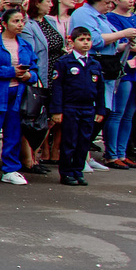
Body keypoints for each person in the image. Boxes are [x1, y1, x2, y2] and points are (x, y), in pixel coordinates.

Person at [0, 9, 38, 185]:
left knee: (14, 132)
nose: (20, 25)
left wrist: (28, 76)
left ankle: (10, 169)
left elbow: (35, 69)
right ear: (4, 23)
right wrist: (11, 71)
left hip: (18, 93)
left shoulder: (25, 45)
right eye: (16, 21)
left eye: (22, 21)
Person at [48, 24, 105, 185]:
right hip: (70, 107)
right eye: (81, 40)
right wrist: (57, 110)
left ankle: (78, 170)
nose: (85, 43)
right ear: (72, 42)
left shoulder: (94, 63)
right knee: (69, 140)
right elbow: (57, 87)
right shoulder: (65, 62)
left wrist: (100, 109)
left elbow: (100, 88)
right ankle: (66, 172)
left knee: (84, 141)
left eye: (88, 40)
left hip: (88, 107)